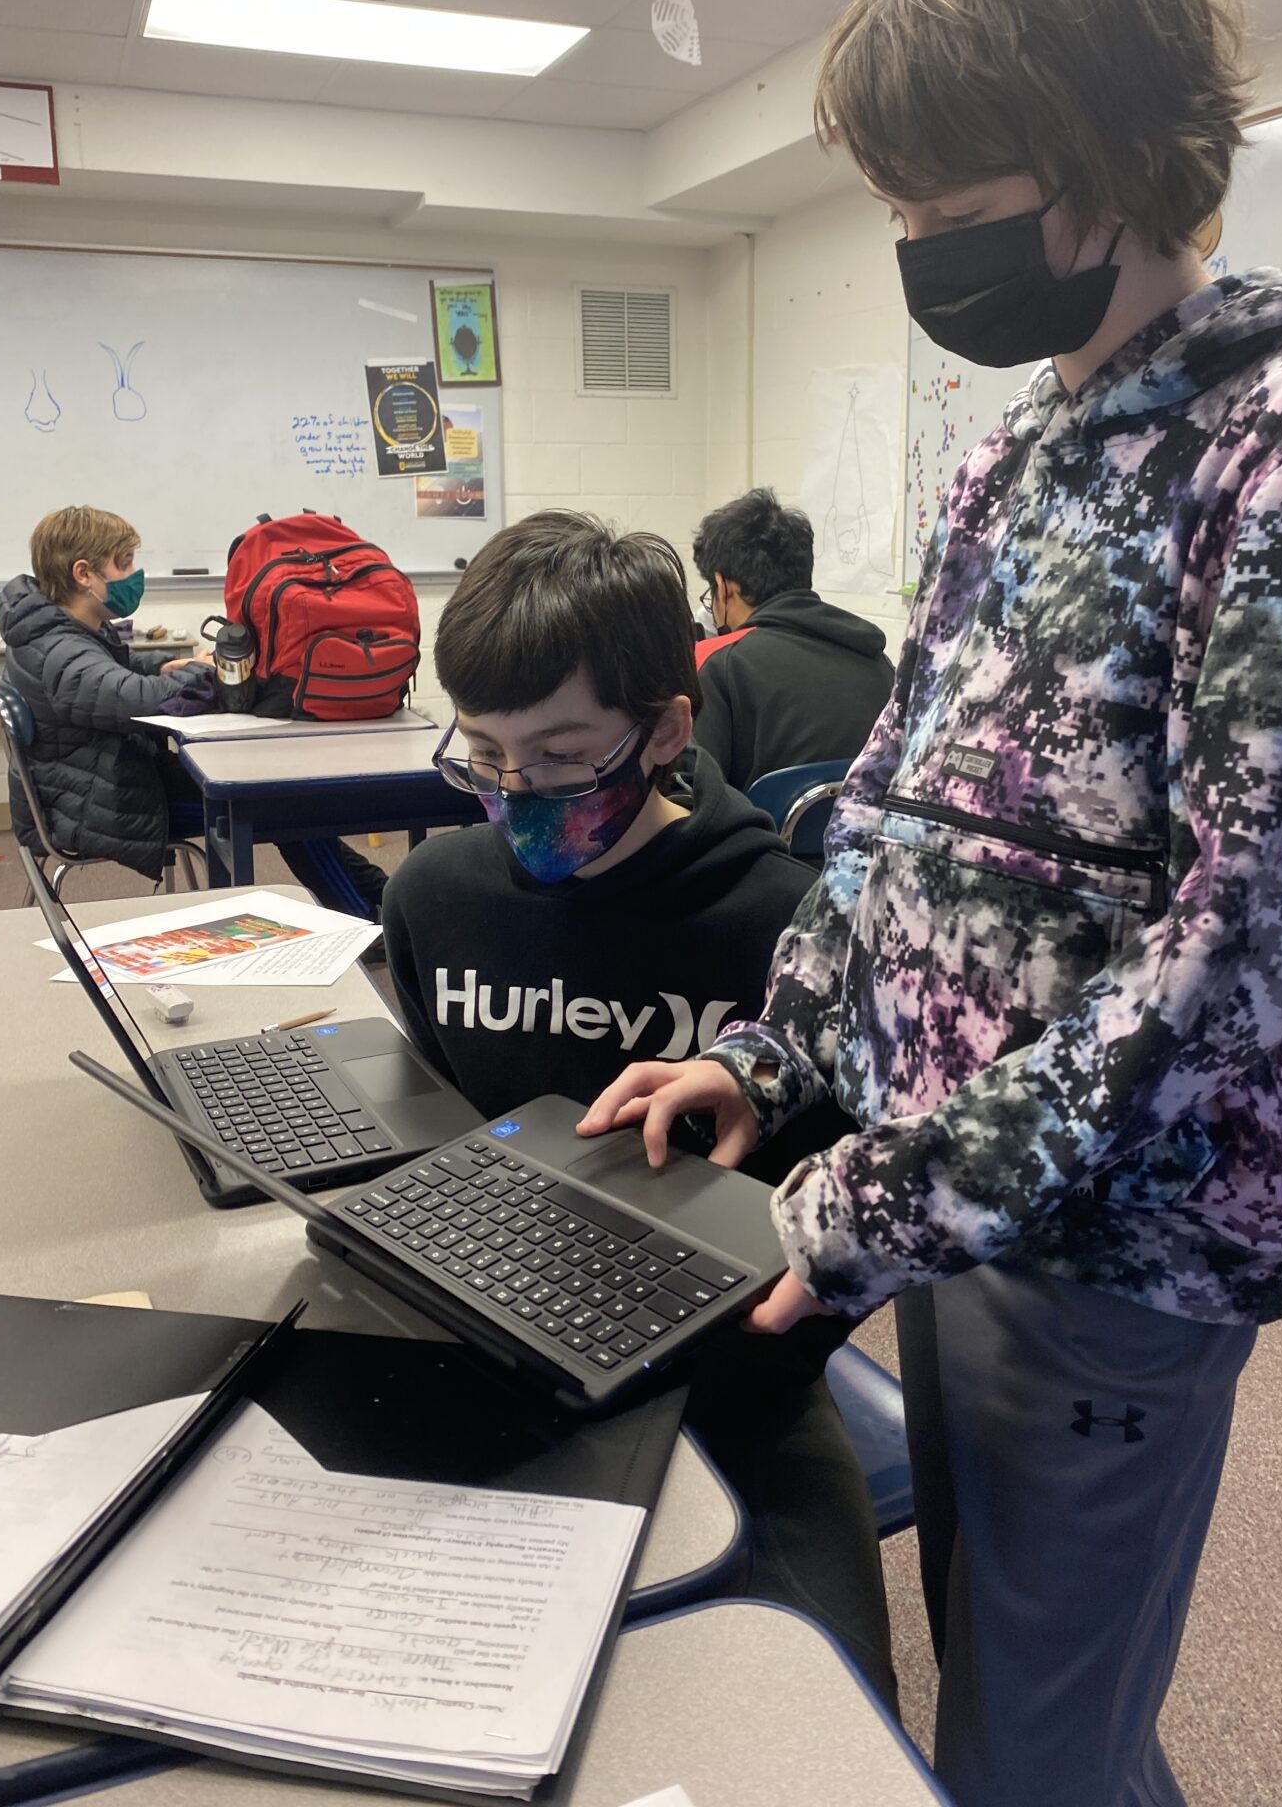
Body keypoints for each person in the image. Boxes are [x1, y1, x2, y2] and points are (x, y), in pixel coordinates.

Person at [580, 0, 1282, 1807]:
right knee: (1008, 1678)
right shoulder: (1016, 453)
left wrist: (871, 1202)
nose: (912, 246)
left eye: (939, 209)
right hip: (948, 1186)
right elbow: (891, 814)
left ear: (1110, 159)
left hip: (1126, 1226)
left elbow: (1245, 952)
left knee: (1032, 1749)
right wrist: (769, 1053)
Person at [379, 509, 895, 1701]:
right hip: (488, 1366)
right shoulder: (433, 897)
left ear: (667, 728)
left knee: (822, 1713)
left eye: (563, 755)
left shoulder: (785, 931)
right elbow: (434, 1146)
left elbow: (826, 1239)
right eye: (486, 754)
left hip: (730, 1399)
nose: (518, 793)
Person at [0, 505, 388, 915]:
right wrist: (210, 677)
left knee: (280, 800)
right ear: (84, 574)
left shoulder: (55, 628)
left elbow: (117, 669)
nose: (134, 574)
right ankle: (363, 912)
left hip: (101, 778)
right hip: (100, 802)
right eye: (124, 562)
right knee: (275, 804)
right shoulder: (59, 650)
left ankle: (373, 893)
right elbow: (133, 697)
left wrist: (167, 665)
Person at [690, 487, 893, 790]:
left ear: (724, 587)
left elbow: (695, 794)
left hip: (762, 838)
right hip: (861, 836)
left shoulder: (723, 666)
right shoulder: (879, 662)